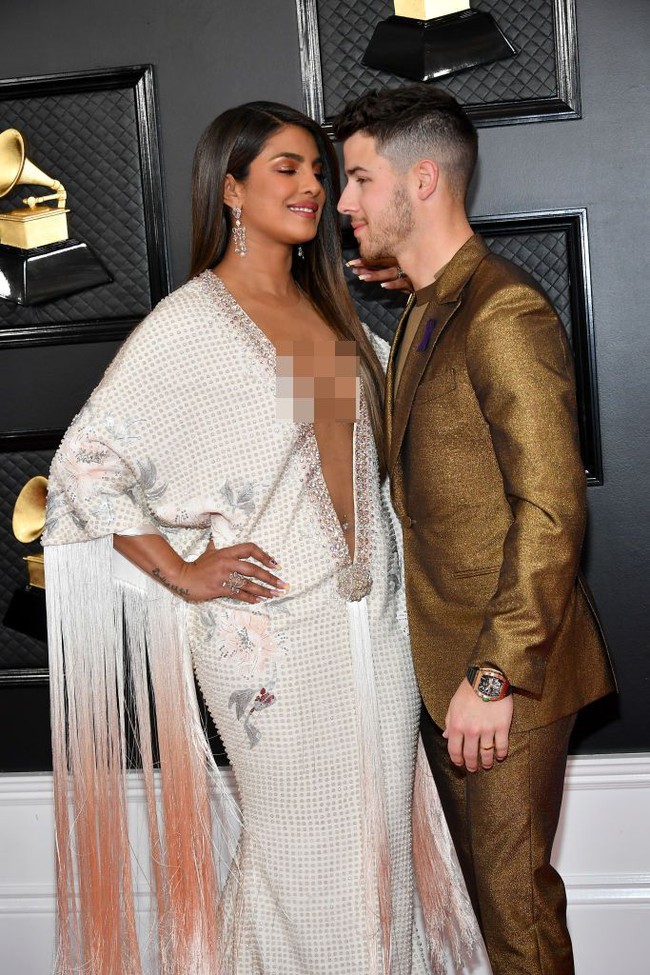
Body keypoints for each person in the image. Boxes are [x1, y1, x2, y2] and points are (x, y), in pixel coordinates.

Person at [43, 100, 481, 975]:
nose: (315, 185)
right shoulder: (191, 323)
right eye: (288, 168)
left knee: (381, 857)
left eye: (321, 170)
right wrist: (183, 568)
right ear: (232, 188)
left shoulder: (334, 315)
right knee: (301, 866)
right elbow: (83, 467)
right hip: (270, 642)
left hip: (379, 629)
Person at [334, 84, 616, 975]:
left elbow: (552, 508)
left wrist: (494, 675)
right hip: (451, 668)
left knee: (517, 922)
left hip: (506, 679)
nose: (343, 203)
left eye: (357, 179)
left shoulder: (503, 311)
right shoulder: (429, 304)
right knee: (499, 916)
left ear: (422, 180)